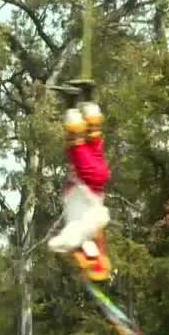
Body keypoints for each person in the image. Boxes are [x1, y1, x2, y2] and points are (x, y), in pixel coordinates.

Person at [47, 81, 111, 281]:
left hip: (98, 181)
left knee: (93, 142)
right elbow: (57, 243)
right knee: (77, 143)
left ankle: (88, 95)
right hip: (88, 180)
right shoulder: (79, 232)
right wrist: (63, 249)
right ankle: (71, 102)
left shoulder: (94, 230)